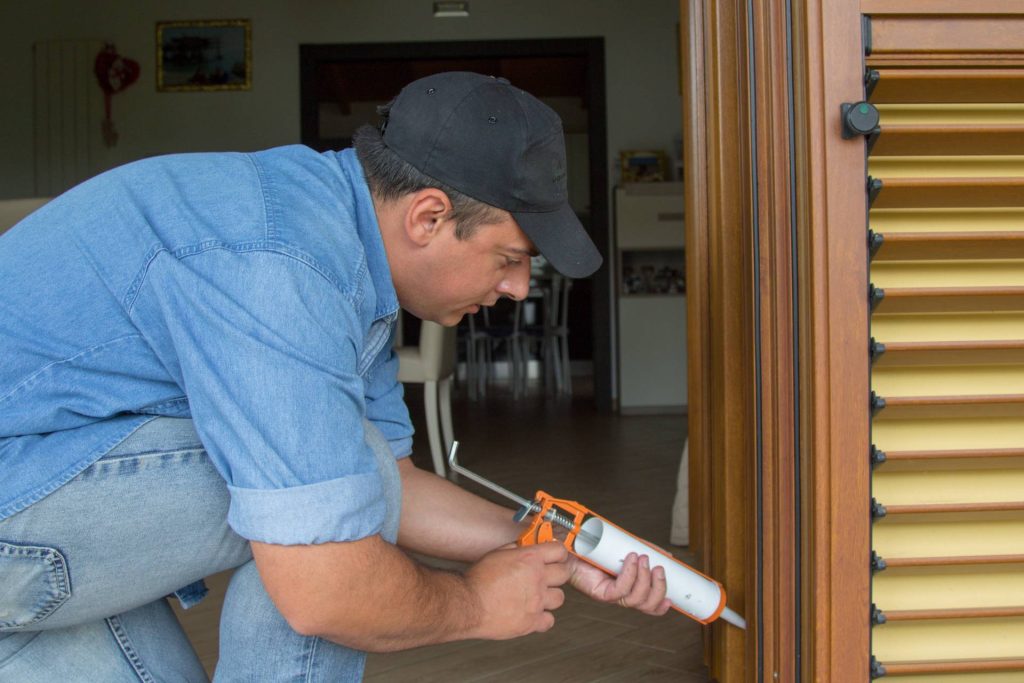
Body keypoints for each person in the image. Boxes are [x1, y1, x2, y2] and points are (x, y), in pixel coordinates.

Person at [0, 72, 671, 681]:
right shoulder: (283, 264)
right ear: (429, 216)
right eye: (507, 257)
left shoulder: (340, 239)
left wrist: (553, 544)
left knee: (349, 467)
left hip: (39, 503)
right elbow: (328, 585)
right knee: (343, 479)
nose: (520, 288)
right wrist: (474, 603)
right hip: (20, 503)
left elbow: (399, 487)